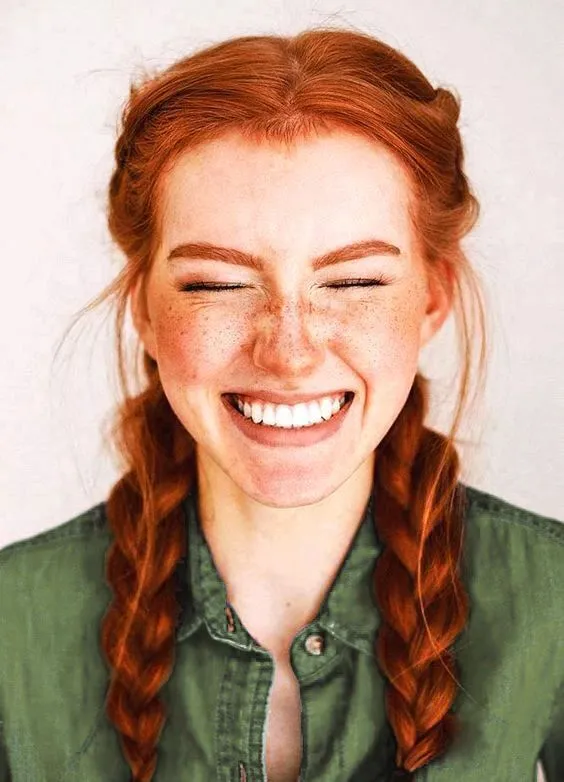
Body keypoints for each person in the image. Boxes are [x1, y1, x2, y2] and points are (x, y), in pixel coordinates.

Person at [0, 25, 562, 782]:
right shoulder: (12, 623)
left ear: (432, 299)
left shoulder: (551, 600)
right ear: (145, 308)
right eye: (220, 285)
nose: (290, 352)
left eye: (354, 282)